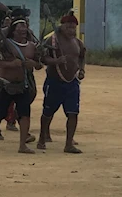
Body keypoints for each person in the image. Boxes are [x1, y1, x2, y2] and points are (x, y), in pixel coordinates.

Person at [0, 17, 41, 154]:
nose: (23, 29)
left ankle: (22, 145)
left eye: (25, 26)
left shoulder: (32, 46)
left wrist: (34, 64)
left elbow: (40, 64)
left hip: (22, 85)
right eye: (20, 26)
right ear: (14, 29)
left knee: (25, 114)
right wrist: (10, 64)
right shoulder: (5, 45)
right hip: (5, 85)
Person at [37, 11, 86, 154]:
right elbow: (42, 58)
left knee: (73, 113)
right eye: (68, 27)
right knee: (48, 112)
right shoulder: (51, 40)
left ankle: (68, 143)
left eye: (73, 28)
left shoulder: (78, 42)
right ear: (62, 26)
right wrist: (56, 61)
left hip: (72, 83)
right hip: (55, 82)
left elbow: (82, 57)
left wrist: (81, 70)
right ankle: (42, 137)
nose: (71, 30)